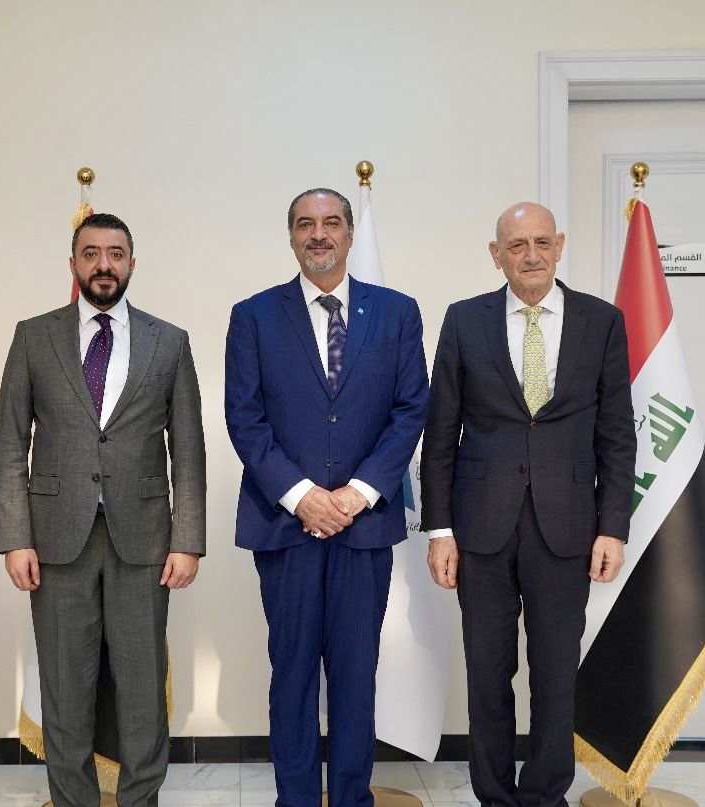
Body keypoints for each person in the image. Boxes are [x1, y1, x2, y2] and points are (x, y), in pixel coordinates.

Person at [420, 202, 636, 807]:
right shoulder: (464, 320)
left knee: (556, 673)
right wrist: (439, 530)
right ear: (496, 255)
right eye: (517, 245)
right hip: (479, 528)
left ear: (559, 246)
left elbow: (617, 433)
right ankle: (494, 795)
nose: (531, 255)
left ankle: (545, 795)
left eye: (542, 242)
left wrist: (613, 526)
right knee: (487, 673)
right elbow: (441, 432)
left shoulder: (602, 321)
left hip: (569, 527)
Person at [0, 212, 206, 807]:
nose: (103, 265)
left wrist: (186, 539)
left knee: (142, 694)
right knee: (65, 693)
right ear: (73, 264)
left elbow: (188, 449)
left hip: (146, 544)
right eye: (90, 253)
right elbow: (10, 442)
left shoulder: (169, 341)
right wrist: (15, 537)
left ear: (132, 263)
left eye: (115, 253)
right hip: (55, 542)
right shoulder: (34, 336)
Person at [224, 188, 428, 807]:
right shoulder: (254, 316)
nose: (319, 233)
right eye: (306, 224)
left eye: (331, 222)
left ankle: (350, 798)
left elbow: (410, 410)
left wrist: (357, 495)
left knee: (355, 677)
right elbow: (245, 417)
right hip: (285, 528)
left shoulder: (396, 313)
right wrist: (302, 496)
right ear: (290, 236)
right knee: (291, 676)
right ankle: (294, 799)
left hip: (364, 527)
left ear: (348, 234)